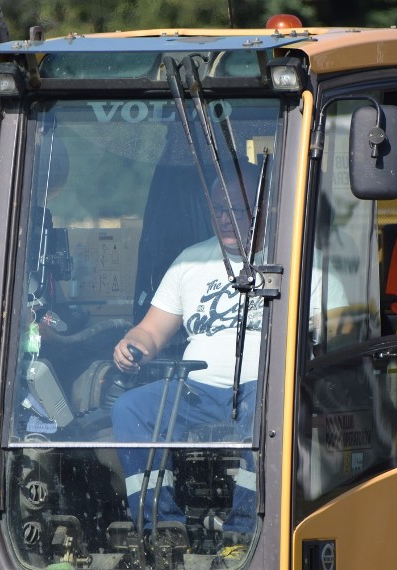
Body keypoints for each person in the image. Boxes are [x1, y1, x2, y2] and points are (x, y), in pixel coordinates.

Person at [111, 168, 263, 546]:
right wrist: (132, 345)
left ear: (263, 207)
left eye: (237, 208)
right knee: (130, 408)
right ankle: (162, 528)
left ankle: (244, 530)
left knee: (269, 410)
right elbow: (150, 331)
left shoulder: (295, 257)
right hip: (196, 390)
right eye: (218, 208)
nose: (227, 217)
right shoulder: (189, 263)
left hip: (266, 389)